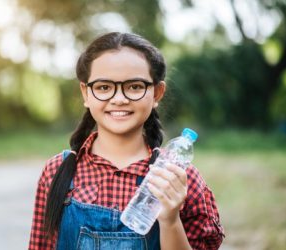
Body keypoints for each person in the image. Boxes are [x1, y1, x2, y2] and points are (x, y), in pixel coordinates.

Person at [28, 32, 224, 249]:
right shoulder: (58, 171)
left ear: (157, 93)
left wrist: (170, 220)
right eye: (104, 87)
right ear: (86, 93)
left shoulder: (178, 179)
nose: (119, 99)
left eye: (134, 87)